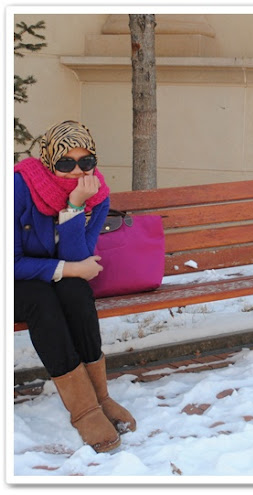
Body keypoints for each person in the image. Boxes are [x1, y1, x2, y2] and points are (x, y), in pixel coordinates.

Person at [14, 120, 136, 453]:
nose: (77, 171)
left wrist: (76, 206)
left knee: (76, 292)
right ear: (48, 160)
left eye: (86, 162)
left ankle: (100, 397)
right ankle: (83, 411)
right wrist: (70, 269)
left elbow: (78, 256)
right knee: (41, 300)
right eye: (66, 163)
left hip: (51, 276)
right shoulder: (18, 187)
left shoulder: (97, 196)